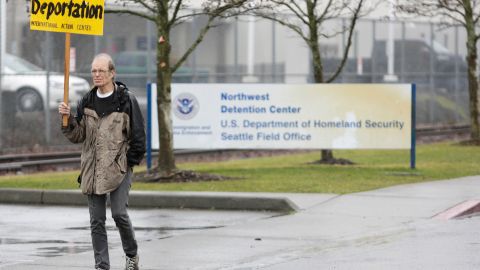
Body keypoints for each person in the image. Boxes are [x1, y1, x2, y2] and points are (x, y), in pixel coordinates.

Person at [59, 53, 146, 270]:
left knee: (119, 214)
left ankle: (131, 255)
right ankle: (101, 265)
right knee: (96, 221)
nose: (97, 75)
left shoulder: (126, 100)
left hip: (119, 167)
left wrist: (127, 162)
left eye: (101, 71)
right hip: (93, 168)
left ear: (112, 73)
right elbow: (78, 135)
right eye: (94, 71)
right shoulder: (86, 100)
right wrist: (67, 120)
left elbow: (138, 137)